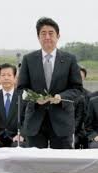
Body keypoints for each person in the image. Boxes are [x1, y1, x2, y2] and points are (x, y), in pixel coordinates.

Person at [17, 17, 83, 149]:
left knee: (62, 165)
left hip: (62, 120)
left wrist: (61, 97)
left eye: (51, 33)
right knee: (35, 165)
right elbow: (21, 89)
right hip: (35, 121)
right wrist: (35, 98)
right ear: (38, 37)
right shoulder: (28, 60)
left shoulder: (69, 59)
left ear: (58, 36)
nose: (47, 37)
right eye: (43, 33)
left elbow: (77, 89)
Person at [0, 63, 26, 147]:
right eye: (3, 75)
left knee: (18, 146)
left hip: (16, 137)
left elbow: (27, 119)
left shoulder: (23, 97)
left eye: (9, 75)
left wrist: (22, 134)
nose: (6, 78)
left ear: (15, 78)